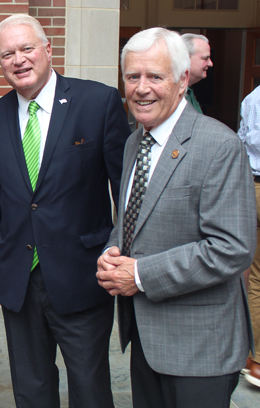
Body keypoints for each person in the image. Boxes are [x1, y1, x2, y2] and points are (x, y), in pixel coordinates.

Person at [0, 14, 130, 408]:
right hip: (18, 278)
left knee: (90, 388)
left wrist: (120, 251)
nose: (18, 60)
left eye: (26, 49)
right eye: (7, 54)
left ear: (47, 49)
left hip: (83, 274)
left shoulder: (98, 101)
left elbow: (124, 189)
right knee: (31, 389)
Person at [97, 27, 256, 408]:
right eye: (133, 76)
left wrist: (137, 274)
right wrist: (112, 250)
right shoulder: (135, 141)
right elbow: (133, 217)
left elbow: (231, 249)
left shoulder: (219, 146)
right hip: (147, 341)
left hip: (200, 347)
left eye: (155, 76)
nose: (141, 88)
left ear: (183, 80)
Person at [238, 85, 260, 388]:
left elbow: (245, 142)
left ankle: (255, 360)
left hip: (254, 184)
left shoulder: (253, 98)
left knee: (254, 277)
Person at [181, 33, 213, 113]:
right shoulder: (171, 93)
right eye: (205, 58)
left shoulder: (189, 90)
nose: (210, 64)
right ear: (186, 58)